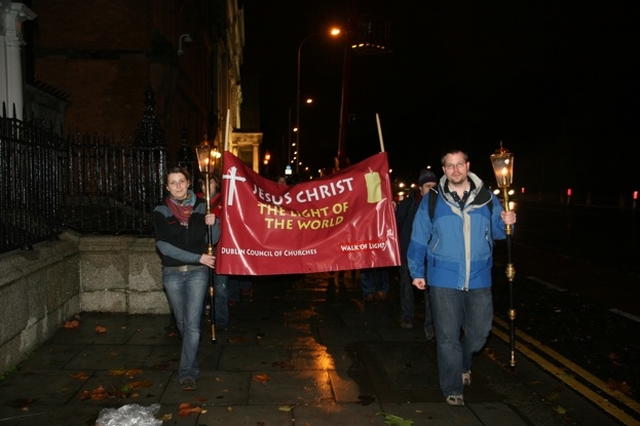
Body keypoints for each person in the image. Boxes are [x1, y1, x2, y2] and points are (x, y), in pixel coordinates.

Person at [407, 148, 516, 406]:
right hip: (443, 279)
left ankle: (465, 362)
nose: (455, 170)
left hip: (479, 277)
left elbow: (501, 233)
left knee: (479, 334)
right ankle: (452, 387)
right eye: (449, 166)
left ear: (467, 166)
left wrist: (507, 220)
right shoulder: (432, 200)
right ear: (444, 170)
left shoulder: (487, 197)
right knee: (447, 337)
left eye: (459, 164)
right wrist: (416, 271)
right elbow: (418, 237)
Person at [153, 166, 218, 391]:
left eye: (181, 181)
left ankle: (188, 372)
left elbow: (214, 238)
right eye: (173, 182)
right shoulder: (161, 211)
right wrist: (197, 256)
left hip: (197, 274)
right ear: (167, 187)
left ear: (188, 182)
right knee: (183, 323)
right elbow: (163, 246)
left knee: (192, 325)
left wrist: (214, 222)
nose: (178, 186)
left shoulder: (202, 206)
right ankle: (191, 352)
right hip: (172, 273)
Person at [396, 168, 437, 339]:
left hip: (431, 257)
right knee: (407, 287)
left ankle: (431, 328)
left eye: (435, 186)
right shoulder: (408, 204)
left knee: (431, 293)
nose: (432, 190)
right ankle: (407, 317)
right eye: (428, 186)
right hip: (409, 254)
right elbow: (395, 224)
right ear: (420, 188)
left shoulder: (439, 205)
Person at [196, 174, 231, 331]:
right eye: (203, 183)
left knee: (220, 288)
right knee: (200, 288)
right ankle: (199, 319)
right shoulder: (195, 200)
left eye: (210, 182)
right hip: (201, 249)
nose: (207, 186)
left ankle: (221, 321)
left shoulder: (225, 200)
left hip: (220, 249)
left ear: (216, 184)